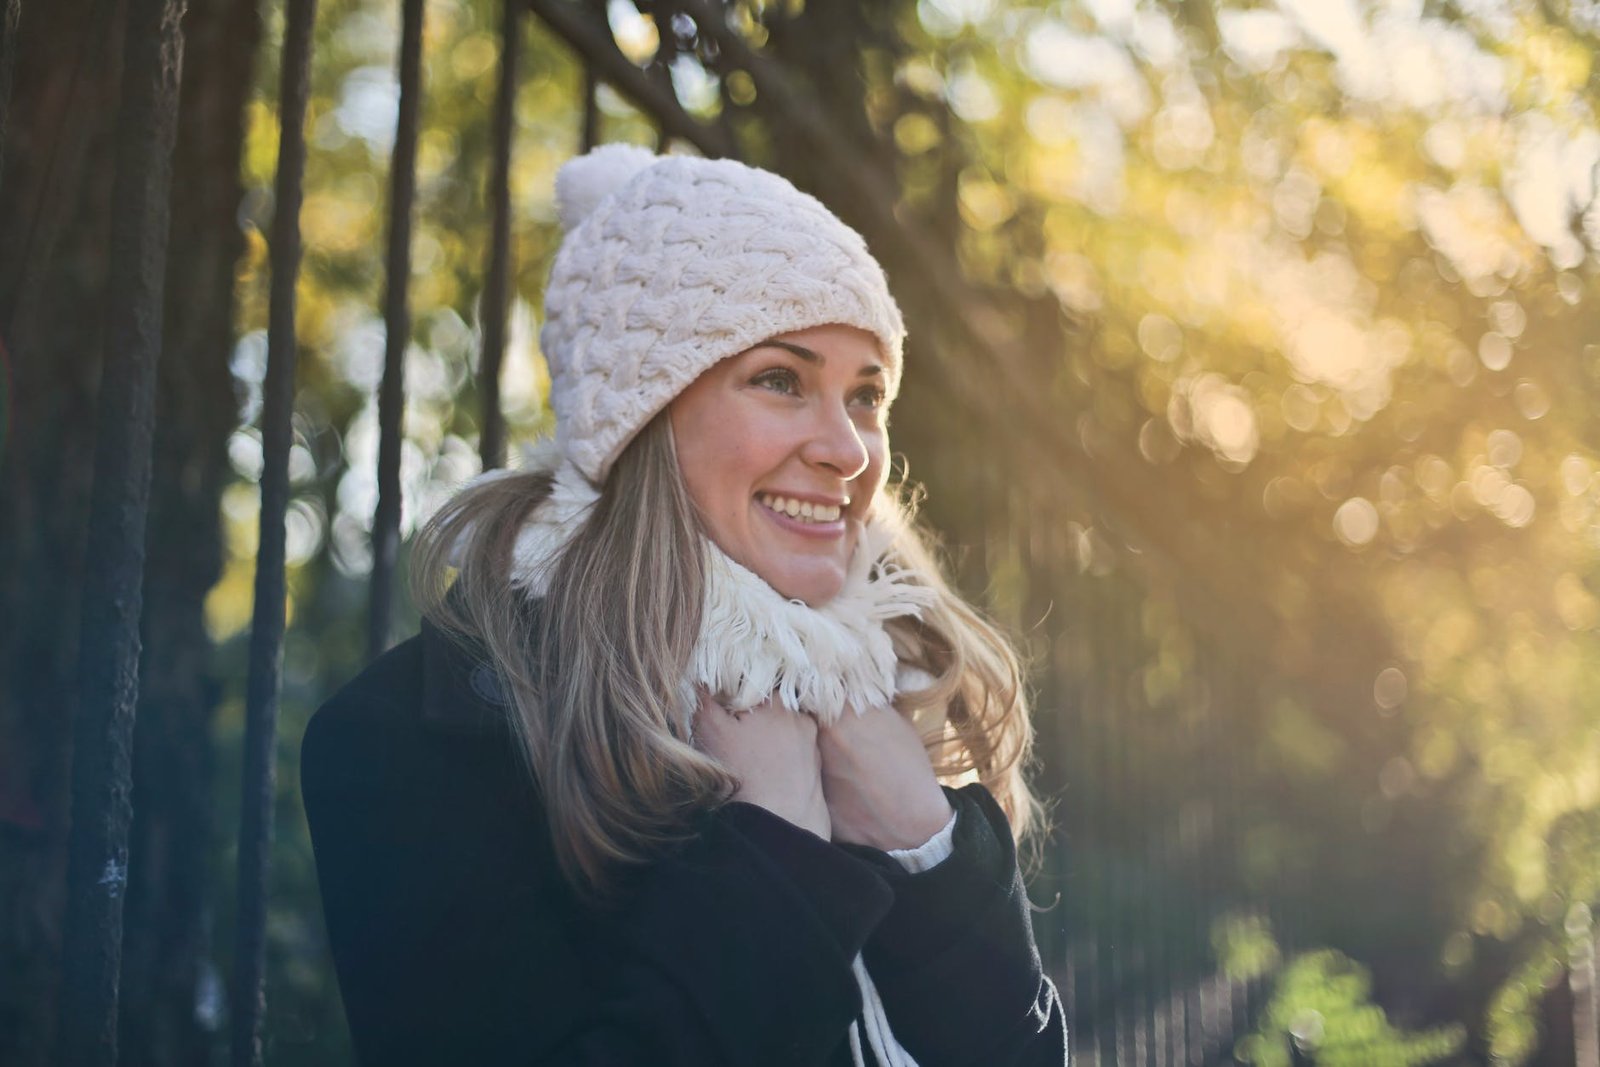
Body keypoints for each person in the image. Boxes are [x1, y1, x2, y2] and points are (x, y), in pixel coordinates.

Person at [301, 143, 1068, 1066]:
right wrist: (776, 850)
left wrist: (924, 848)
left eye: (865, 395)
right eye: (781, 380)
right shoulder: (417, 739)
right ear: (642, 419)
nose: (852, 450)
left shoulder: (892, 688)